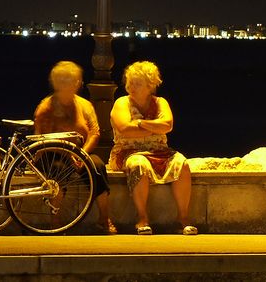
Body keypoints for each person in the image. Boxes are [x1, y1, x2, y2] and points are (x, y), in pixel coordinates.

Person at [109, 60, 197, 235]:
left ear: (150, 85)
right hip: (128, 151)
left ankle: (183, 217)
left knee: (182, 163)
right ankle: (142, 217)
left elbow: (167, 125)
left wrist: (140, 123)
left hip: (159, 150)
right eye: (130, 82)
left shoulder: (160, 102)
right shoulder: (122, 103)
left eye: (137, 83)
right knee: (138, 164)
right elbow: (124, 129)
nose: (131, 87)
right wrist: (154, 127)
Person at [33, 60, 115, 234]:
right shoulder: (46, 107)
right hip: (52, 153)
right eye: (62, 81)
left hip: (80, 152)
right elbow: (41, 139)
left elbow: (94, 132)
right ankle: (56, 220)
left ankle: (104, 217)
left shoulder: (84, 105)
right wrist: (68, 153)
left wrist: (81, 153)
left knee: (98, 166)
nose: (68, 84)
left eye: (71, 81)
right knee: (57, 171)